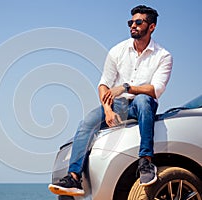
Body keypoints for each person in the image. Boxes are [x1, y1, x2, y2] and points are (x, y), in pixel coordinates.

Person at [48, 5, 173, 197]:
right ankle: (74, 177)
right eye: (130, 22)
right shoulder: (117, 51)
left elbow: (155, 90)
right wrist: (107, 109)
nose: (133, 25)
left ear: (152, 27)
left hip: (143, 105)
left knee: (142, 100)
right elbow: (103, 85)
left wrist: (125, 88)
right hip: (117, 105)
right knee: (87, 122)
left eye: (138, 22)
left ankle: (146, 162)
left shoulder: (163, 56)